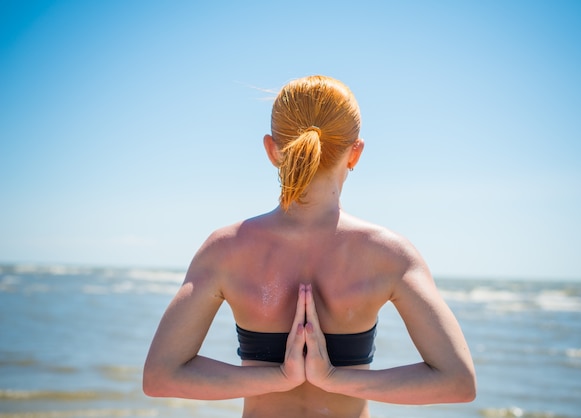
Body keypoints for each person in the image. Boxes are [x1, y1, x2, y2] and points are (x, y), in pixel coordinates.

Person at [143, 75, 476, 417]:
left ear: (272, 150)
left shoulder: (226, 249)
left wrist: (279, 377)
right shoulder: (388, 254)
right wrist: (333, 379)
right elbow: (458, 381)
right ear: (355, 153)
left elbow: (160, 376)